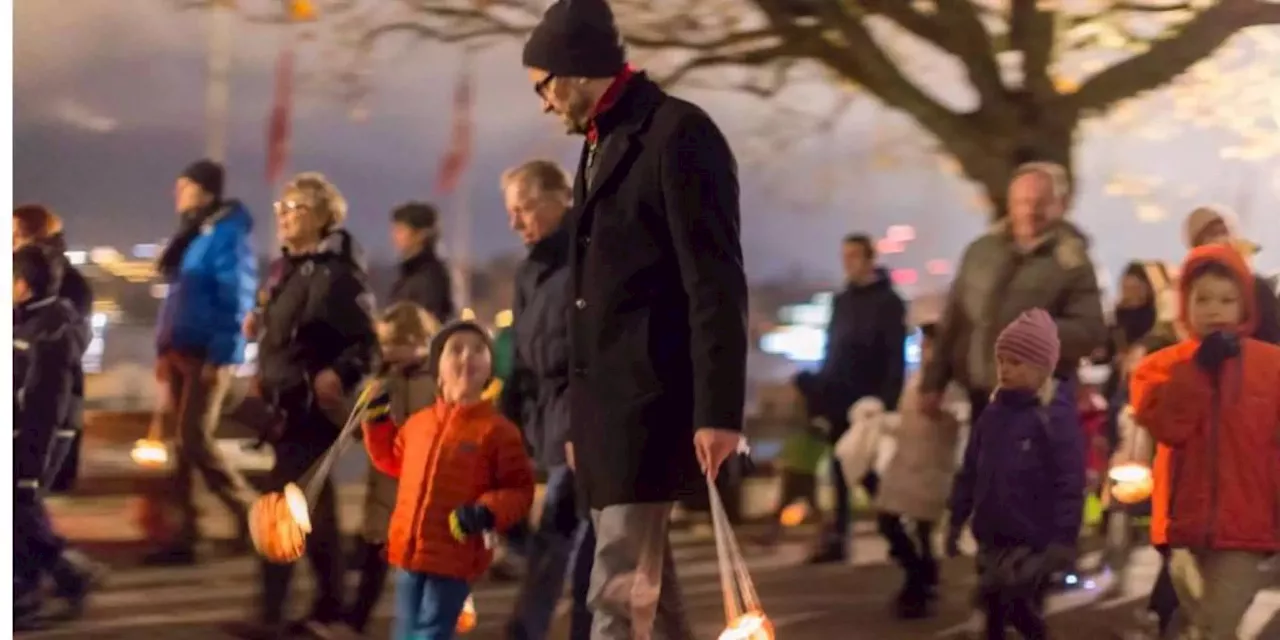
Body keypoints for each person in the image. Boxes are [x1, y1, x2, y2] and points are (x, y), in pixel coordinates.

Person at [521, 0, 749, 636]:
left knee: (618, 594)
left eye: (542, 86)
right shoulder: (602, 142)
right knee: (649, 594)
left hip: (648, 406)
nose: (542, 103)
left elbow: (716, 281)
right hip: (610, 415)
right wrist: (581, 418)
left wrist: (718, 412)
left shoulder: (678, 135)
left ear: (573, 71)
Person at [226, 172, 378, 640]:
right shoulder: (284, 270)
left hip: (310, 409)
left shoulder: (338, 275)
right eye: (282, 209)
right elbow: (286, 334)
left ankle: (273, 614)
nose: (285, 217)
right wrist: (261, 329)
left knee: (279, 509)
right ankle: (331, 604)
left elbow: (367, 343)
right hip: (281, 407)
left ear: (321, 217)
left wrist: (340, 373)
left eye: (296, 209)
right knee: (315, 512)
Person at [1129, 243, 1280, 639]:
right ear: (1184, 305)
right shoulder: (1161, 368)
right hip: (1184, 528)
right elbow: (1167, 426)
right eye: (1203, 299)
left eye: (1227, 300)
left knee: (1218, 624)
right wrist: (1198, 370)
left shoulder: (1272, 368)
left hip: (1246, 526)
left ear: (1246, 306)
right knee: (1202, 624)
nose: (1215, 310)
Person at [362, 320, 536, 640]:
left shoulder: (498, 431)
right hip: (408, 553)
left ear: (489, 370)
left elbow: (519, 490)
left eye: (478, 350)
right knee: (405, 631)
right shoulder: (419, 424)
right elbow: (394, 461)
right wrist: (377, 425)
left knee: (431, 633)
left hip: (454, 556)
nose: (467, 357)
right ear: (437, 368)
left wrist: (485, 511)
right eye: (456, 349)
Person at [922, 162, 1107, 424]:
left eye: (1041, 202)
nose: (1031, 210)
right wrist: (934, 382)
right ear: (1011, 203)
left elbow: (1090, 330)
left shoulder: (1072, 263)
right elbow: (955, 317)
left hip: (1039, 402)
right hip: (979, 395)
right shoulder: (981, 252)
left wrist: (1037, 335)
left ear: (1060, 204)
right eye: (1023, 201)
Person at [498, 160, 595, 640]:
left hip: (583, 424)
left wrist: (581, 424)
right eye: (512, 212)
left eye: (526, 208)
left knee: (567, 537)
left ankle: (536, 630)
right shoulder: (528, 272)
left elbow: (594, 351)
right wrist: (505, 419)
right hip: (550, 422)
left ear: (561, 198)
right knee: (577, 539)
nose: (517, 222)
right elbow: (521, 352)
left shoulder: (591, 257)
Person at [947, 309, 1086, 640]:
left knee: (1020, 608)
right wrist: (957, 517)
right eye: (1002, 361)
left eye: (1016, 362)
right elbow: (970, 470)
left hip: (1033, 541)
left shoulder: (1052, 418)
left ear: (1041, 369)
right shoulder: (992, 416)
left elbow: (1069, 482)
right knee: (992, 612)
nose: (1006, 370)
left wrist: (1063, 540)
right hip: (993, 536)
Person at [146, 159, 259, 564]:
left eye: (185, 186)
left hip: (206, 356)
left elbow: (237, 299)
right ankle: (184, 535)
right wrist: (163, 349)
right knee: (181, 446)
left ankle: (254, 517)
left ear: (206, 191)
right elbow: (177, 300)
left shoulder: (225, 236)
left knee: (194, 438)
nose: (178, 193)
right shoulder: (194, 235)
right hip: (180, 352)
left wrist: (223, 355)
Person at [795, 233, 907, 563]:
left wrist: (887, 400)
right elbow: (832, 350)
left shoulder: (888, 302)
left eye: (855, 255)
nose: (849, 262)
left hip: (869, 400)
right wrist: (820, 391)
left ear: (870, 258)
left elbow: (893, 356)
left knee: (867, 469)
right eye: (845, 256)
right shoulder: (842, 301)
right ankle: (839, 537)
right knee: (839, 468)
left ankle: (896, 530)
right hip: (839, 395)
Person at [13, 244, 102, 629]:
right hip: (23, 434)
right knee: (22, 511)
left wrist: (32, 468)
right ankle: (69, 575)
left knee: (19, 505)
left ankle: (25, 595)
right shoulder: (27, 320)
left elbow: (45, 407)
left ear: (22, 286)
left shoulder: (49, 331)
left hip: (39, 437)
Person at [339, 302, 441, 636]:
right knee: (374, 560)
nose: (388, 352)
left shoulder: (435, 382)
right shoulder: (386, 380)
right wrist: (362, 411)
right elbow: (359, 429)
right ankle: (356, 620)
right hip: (385, 489)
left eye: (395, 344)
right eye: (384, 345)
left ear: (419, 341)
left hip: (418, 492)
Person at [874, 323, 962, 619]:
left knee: (919, 529)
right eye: (923, 344)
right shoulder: (916, 379)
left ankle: (920, 584)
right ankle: (921, 578)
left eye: (930, 345)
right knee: (892, 521)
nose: (925, 350)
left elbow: (958, 417)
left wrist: (941, 413)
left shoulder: (950, 382)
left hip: (930, 467)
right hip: (906, 463)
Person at [13, 205, 94, 493]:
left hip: (41, 433)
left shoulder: (61, 284)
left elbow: (50, 393)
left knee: (27, 511)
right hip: (37, 425)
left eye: (14, 233)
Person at [1182, 204, 1280, 344]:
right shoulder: (1188, 287)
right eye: (1210, 233)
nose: (1220, 238)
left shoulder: (1259, 287)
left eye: (1223, 231)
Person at [388, 201, 454, 324]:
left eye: (401, 230)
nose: (394, 236)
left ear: (421, 234)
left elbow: (426, 323)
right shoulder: (409, 273)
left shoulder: (431, 276)